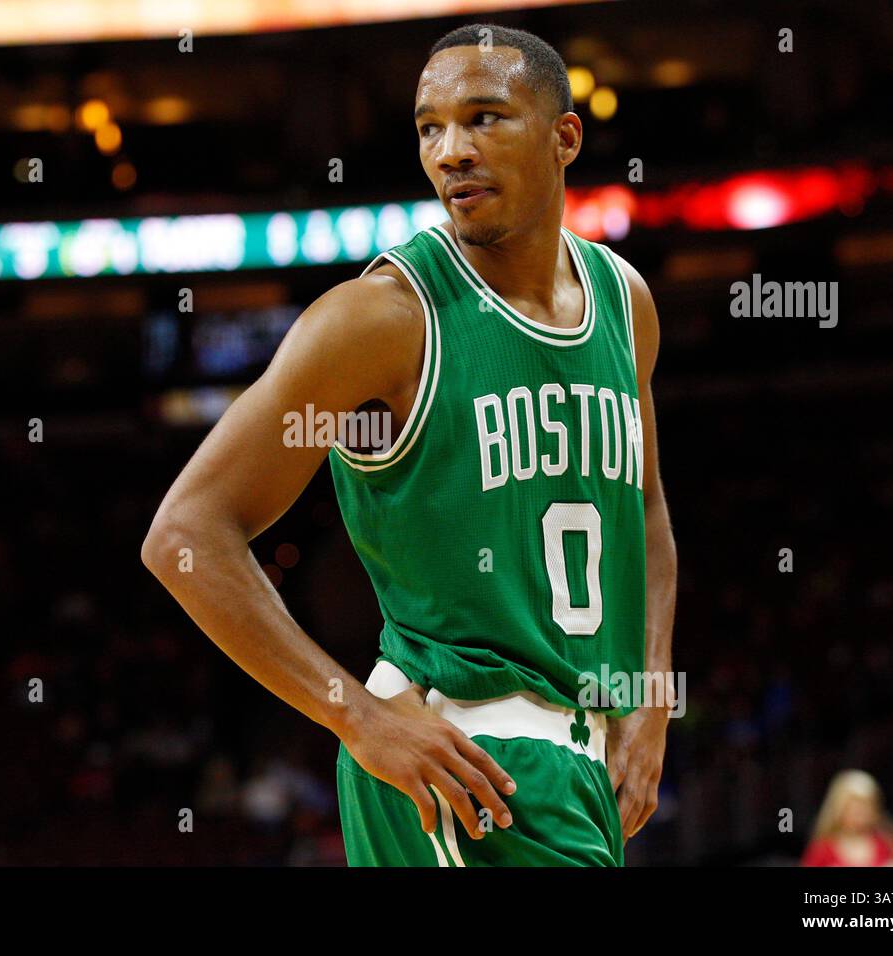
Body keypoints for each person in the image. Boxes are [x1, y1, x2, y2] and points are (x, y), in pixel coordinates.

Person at [143, 23, 678, 866]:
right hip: (466, 756)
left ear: (563, 137)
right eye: (430, 127)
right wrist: (354, 714)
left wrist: (649, 702)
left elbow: (642, 508)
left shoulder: (624, 302)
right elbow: (184, 535)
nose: (452, 151)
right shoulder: (382, 320)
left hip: (573, 758)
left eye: (485, 118)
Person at [801, 770, 893, 866]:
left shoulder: (886, 842)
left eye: (867, 807)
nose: (861, 814)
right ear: (840, 809)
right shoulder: (823, 849)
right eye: (854, 809)